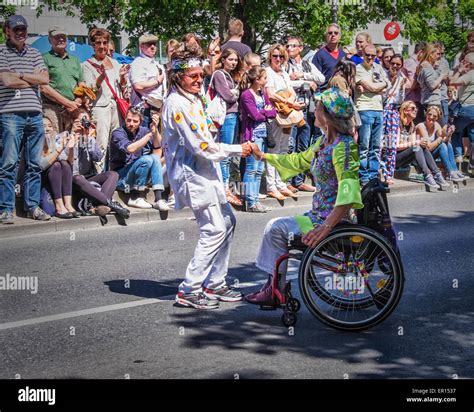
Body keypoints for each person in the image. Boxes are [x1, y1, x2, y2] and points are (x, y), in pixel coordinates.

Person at [245, 87, 363, 304]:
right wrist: (264, 157)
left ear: (326, 115)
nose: (314, 108)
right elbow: (297, 161)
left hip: (334, 221)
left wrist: (325, 227)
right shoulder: (323, 142)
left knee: (276, 228)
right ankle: (273, 287)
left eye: (318, 106)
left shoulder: (343, 147)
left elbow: (348, 195)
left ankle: (274, 290)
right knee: (275, 227)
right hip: (317, 215)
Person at [161, 43, 252, 309]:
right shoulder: (177, 103)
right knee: (213, 229)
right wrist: (240, 149)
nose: (199, 80)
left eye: (201, 75)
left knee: (228, 221)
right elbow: (202, 146)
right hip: (192, 175)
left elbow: (206, 135)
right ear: (178, 77)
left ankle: (215, 282)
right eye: (193, 76)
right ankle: (189, 289)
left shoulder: (193, 98)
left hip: (206, 172)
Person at [0, 15, 51, 224]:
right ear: (7, 32)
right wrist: (31, 78)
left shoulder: (35, 52)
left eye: (23, 29)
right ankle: (6, 209)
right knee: (9, 163)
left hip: (35, 114)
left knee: (34, 164)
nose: (21, 33)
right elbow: (5, 80)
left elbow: (45, 79)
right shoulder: (1, 52)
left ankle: (32, 206)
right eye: (16, 29)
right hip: (10, 114)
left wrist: (18, 75)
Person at [82, 28, 129, 172]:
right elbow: (89, 91)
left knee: (116, 142)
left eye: (105, 42)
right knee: (101, 143)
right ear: (93, 45)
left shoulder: (115, 63)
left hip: (116, 108)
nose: (102, 46)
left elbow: (122, 88)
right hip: (100, 107)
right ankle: (99, 175)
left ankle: (115, 175)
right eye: (98, 43)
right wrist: (100, 78)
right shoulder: (86, 65)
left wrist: (122, 78)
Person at [70, 109, 130, 218]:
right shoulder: (64, 136)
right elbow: (65, 161)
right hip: (73, 180)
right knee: (77, 178)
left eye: (86, 121)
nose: (84, 124)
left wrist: (88, 139)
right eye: (80, 121)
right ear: (73, 122)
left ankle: (100, 204)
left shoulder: (87, 138)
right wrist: (72, 136)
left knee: (113, 174)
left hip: (89, 178)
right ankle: (110, 204)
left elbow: (98, 157)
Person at [286, 36, 325, 192]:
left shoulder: (307, 65)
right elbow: (287, 83)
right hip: (291, 110)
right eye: (287, 46)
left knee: (303, 146)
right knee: (290, 146)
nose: (289, 49)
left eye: (293, 46)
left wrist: (303, 76)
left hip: (307, 111)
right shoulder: (285, 66)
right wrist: (307, 83)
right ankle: (287, 181)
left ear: (300, 48)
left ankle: (299, 180)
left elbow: (321, 79)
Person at [110, 107, 169, 210]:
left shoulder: (143, 131)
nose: (131, 124)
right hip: (121, 178)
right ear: (125, 119)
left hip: (138, 174)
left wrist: (154, 131)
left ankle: (158, 199)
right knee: (147, 159)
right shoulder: (117, 133)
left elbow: (159, 147)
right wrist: (150, 134)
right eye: (129, 120)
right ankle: (135, 197)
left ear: (140, 122)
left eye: (135, 121)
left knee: (154, 158)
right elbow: (131, 149)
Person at [264, 43, 301, 200]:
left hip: (287, 115)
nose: (278, 59)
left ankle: (281, 183)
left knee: (284, 149)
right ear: (270, 57)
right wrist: (288, 102)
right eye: (275, 56)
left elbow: (291, 92)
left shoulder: (284, 73)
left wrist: (291, 101)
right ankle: (271, 186)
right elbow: (270, 93)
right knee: (274, 150)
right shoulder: (268, 72)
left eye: (280, 56)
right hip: (276, 115)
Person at [240, 66, 276, 212]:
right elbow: (255, 116)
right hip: (253, 135)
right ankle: (250, 201)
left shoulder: (263, 93)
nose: (266, 81)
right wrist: (265, 111)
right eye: (264, 78)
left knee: (259, 169)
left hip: (264, 134)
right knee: (251, 168)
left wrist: (265, 112)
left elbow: (273, 111)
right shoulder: (246, 95)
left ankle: (255, 200)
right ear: (257, 80)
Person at [210, 48, 243, 206]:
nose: (233, 62)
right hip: (226, 116)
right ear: (223, 60)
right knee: (224, 151)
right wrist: (235, 92)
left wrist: (234, 92)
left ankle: (226, 186)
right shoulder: (219, 74)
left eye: (235, 60)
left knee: (228, 152)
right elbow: (229, 96)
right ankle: (224, 188)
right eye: (230, 59)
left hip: (233, 115)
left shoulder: (232, 75)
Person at [355, 44, 389, 185]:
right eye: (367, 55)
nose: (370, 57)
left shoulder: (378, 68)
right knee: (364, 146)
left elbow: (387, 84)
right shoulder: (358, 69)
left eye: (373, 55)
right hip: (364, 108)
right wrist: (379, 86)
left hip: (378, 109)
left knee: (376, 146)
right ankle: (363, 176)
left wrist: (379, 86)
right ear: (362, 54)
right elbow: (373, 87)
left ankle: (373, 175)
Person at [396, 101, 449, 191]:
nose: (415, 110)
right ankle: (427, 175)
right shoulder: (397, 124)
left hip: (406, 159)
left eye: (416, 108)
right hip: (394, 159)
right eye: (412, 108)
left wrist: (419, 142)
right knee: (417, 145)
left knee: (420, 146)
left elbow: (414, 144)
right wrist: (415, 143)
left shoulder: (412, 125)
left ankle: (436, 174)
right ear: (404, 110)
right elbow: (396, 146)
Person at [40, 26, 84, 133]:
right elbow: (43, 87)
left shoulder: (75, 60)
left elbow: (82, 84)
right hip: (51, 107)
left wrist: (78, 100)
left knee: (73, 142)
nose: (61, 39)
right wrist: (67, 103)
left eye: (63, 37)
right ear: (50, 39)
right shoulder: (43, 58)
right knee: (53, 142)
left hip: (73, 109)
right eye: (57, 37)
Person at [40, 116, 80, 218]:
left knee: (64, 164)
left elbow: (69, 163)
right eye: (43, 126)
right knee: (56, 165)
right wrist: (59, 149)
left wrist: (70, 148)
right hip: (40, 181)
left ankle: (68, 204)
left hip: (56, 182)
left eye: (50, 126)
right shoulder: (34, 143)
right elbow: (41, 166)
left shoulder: (55, 141)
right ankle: (59, 206)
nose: (47, 128)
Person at [382, 54, 411, 185]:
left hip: (393, 113)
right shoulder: (382, 74)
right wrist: (391, 82)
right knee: (378, 144)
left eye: (398, 64)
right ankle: (377, 172)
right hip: (382, 111)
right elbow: (382, 96)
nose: (394, 66)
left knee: (391, 145)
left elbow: (400, 100)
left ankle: (388, 174)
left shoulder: (401, 79)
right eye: (393, 63)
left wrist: (400, 86)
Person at [415, 105, 465, 182]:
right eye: (429, 114)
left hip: (430, 154)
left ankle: (454, 170)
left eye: (434, 116)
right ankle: (450, 172)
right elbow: (429, 147)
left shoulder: (436, 125)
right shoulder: (421, 126)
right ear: (426, 114)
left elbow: (445, 140)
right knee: (442, 146)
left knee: (448, 145)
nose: (431, 117)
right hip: (421, 156)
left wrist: (449, 134)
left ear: (437, 118)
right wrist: (441, 137)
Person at [129, 33, 166, 128]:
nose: (153, 46)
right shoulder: (138, 63)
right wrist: (157, 81)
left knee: (156, 141)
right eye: (149, 44)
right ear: (141, 46)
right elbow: (137, 85)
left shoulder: (156, 64)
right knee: (144, 140)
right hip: (144, 111)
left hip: (156, 109)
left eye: (154, 44)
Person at [450, 52, 474, 174]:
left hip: (467, 108)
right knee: (473, 134)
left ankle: (457, 157)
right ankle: (473, 166)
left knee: (456, 130)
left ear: (469, 64)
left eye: (464, 61)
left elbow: (453, 83)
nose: (462, 63)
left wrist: (459, 71)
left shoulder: (470, 75)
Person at [416, 43, 448, 124]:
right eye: (437, 54)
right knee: (440, 130)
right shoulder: (427, 66)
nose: (439, 56)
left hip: (429, 101)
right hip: (432, 102)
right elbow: (432, 85)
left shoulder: (426, 66)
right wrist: (442, 76)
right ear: (430, 54)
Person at [312, 23, 346, 91]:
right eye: (330, 33)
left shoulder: (343, 55)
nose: (333, 35)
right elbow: (314, 77)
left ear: (340, 36)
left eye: (336, 33)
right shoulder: (320, 55)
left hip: (341, 94)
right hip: (325, 94)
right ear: (326, 36)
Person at [404, 41, 426, 124]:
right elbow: (412, 85)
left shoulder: (411, 62)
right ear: (421, 52)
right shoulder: (412, 63)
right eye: (425, 54)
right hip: (413, 101)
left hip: (415, 100)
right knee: (417, 126)